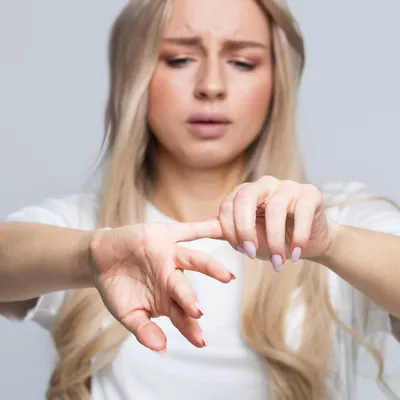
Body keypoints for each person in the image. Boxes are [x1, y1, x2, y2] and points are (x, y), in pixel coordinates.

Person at [0, 0, 399, 399]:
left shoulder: (340, 220)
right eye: (179, 59)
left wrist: (333, 243)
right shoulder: (81, 223)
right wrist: (89, 255)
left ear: (278, 82)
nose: (211, 86)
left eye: (243, 62)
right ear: (134, 74)